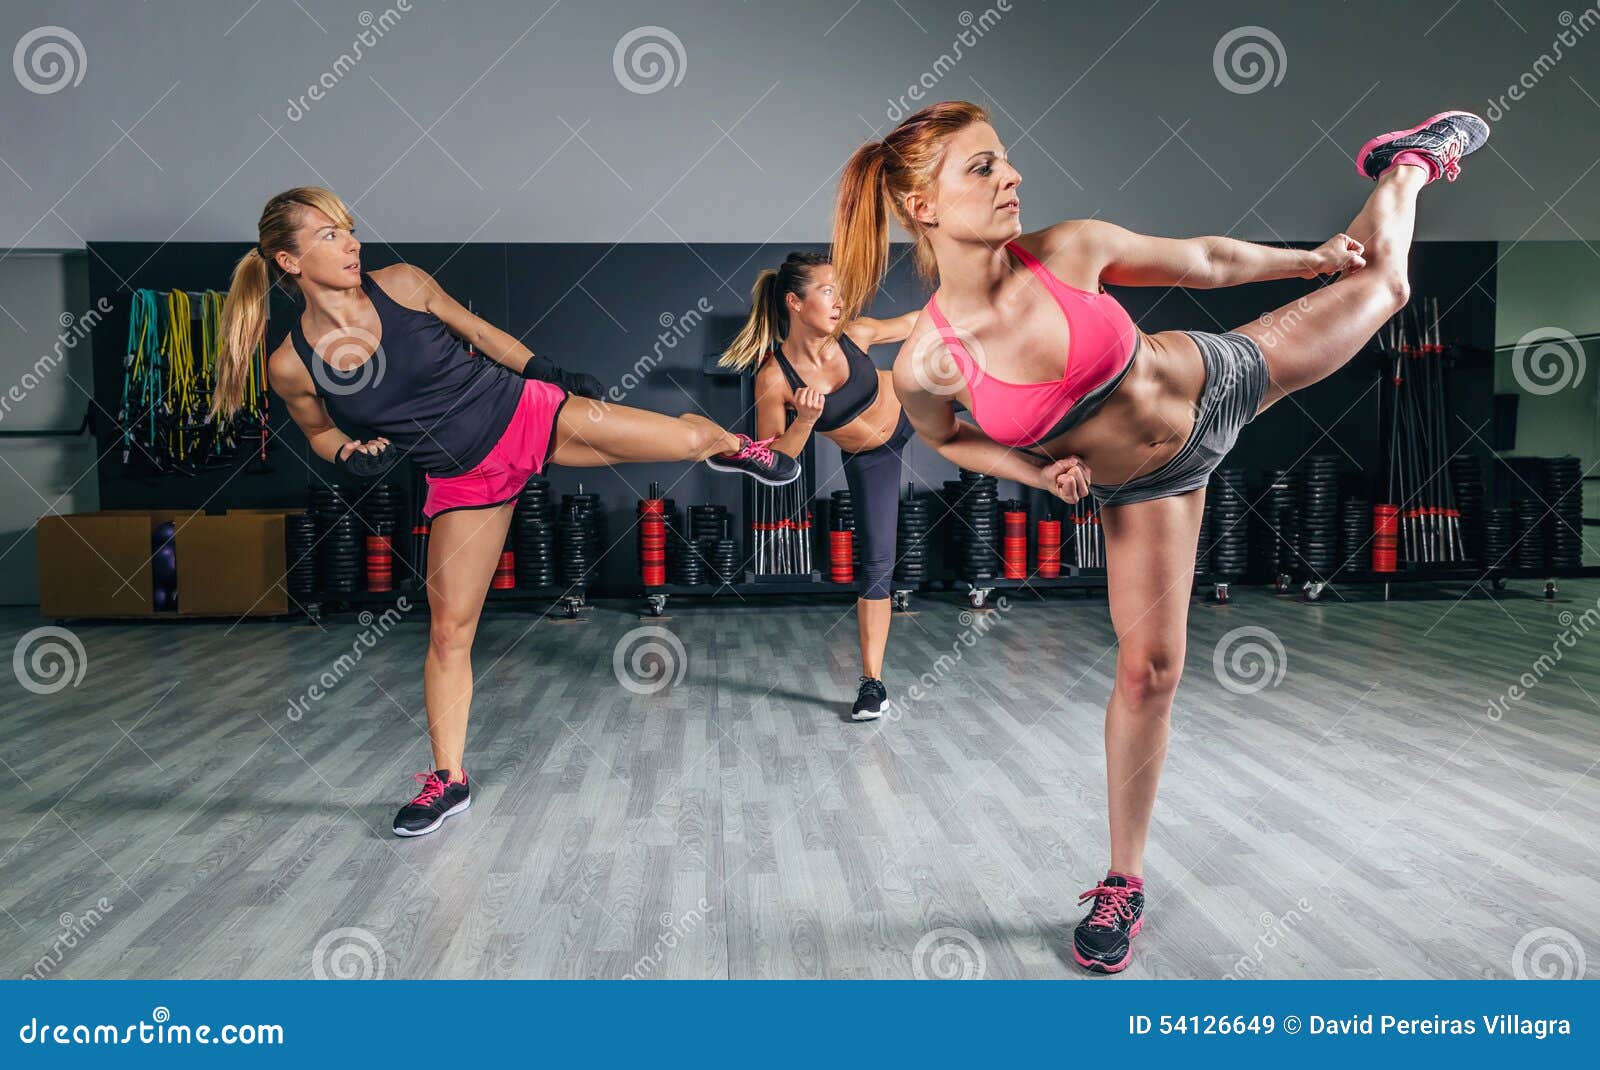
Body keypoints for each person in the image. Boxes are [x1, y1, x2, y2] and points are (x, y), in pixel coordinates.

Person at [831, 103, 1487, 972]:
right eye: (981, 168)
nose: (1011, 177)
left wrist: (1312, 260)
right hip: (1149, 487)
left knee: (1382, 286)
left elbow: (1209, 261)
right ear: (923, 207)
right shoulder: (927, 362)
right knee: (1149, 673)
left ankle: (1406, 166)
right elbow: (948, 438)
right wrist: (1037, 472)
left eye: (1006, 160)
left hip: (1218, 381)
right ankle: (1122, 883)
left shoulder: (1066, 249)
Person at [211, 186, 799, 838]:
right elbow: (319, 432)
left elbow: (480, 333)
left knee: (690, 441)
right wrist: (349, 455)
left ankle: (731, 445)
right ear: (288, 261)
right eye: (327, 235)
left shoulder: (402, 284)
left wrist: (544, 369)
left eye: (348, 230)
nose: (350, 243)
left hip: (525, 415)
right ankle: (448, 779)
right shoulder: (292, 364)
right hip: (461, 480)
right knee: (447, 631)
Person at [722, 252, 918, 720]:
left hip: (915, 406)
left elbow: (916, 320)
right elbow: (780, 460)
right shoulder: (774, 378)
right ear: (794, 301)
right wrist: (806, 420)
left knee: (986, 389)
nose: (839, 301)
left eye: (839, 291)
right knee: (876, 564)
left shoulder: (856, 333)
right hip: (872, 456)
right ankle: (873, 685)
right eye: (828, 291)